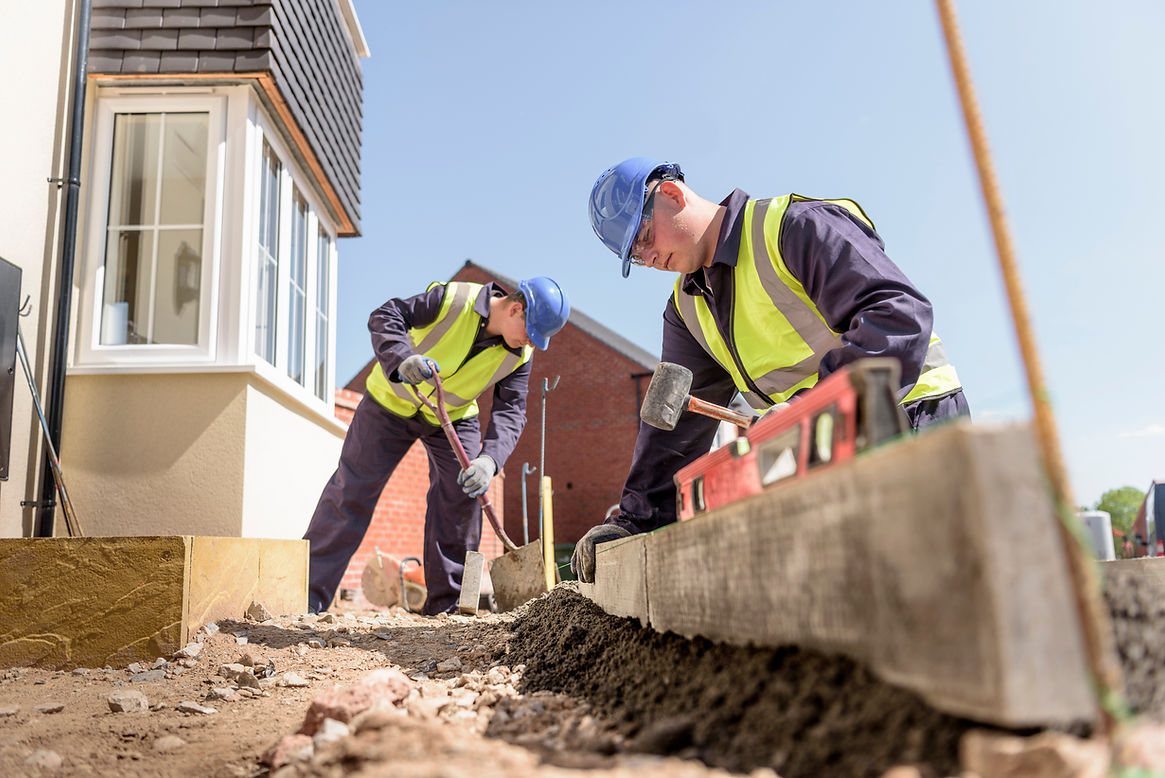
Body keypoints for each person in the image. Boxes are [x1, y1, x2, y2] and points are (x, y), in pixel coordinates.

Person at [571, 157, 970, 582]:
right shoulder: (688, 309)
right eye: (636, 256)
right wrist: (636, 520)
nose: (649, 257)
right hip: (827, 448)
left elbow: (898, 316)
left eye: (645, 236)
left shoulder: (792, 227)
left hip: (911, 415)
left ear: (671, 194)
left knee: (943, 583)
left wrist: (808, 410)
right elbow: (675, 425)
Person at [305, 276, 571, 614]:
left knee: (464, 495)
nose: (530, 342)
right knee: (352, 492)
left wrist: (489, 461)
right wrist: (401, 358)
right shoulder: (454, 300)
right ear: (516, 309)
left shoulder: (521, 355)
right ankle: (308, 595)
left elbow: (512, 410)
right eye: (530, 332)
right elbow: (386, 315)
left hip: (453, 417)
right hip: (388, 405)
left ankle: (448, 608)